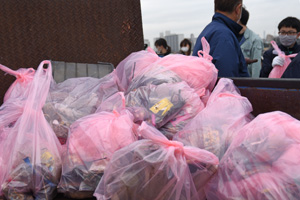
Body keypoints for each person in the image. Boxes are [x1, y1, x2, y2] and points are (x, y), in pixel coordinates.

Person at [192, 0, 249, 77]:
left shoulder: (209, 30)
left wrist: (238, 62)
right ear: (238, 9)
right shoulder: (224, 36)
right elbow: (226, 82)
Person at [239, 7, 263, 78]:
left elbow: (256, 67)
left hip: (246, 82)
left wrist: (254, 86)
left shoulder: (255, 40)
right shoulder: (230, 36)